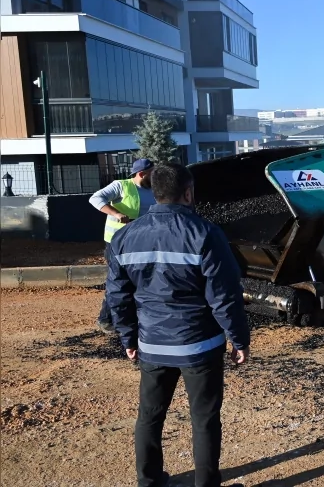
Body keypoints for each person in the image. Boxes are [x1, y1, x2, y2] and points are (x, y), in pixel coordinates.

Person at [105, 162, 250, 487]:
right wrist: (239, 338)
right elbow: (225, 296)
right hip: (201, 346)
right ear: (188, 193)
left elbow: (118, 296)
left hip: (152, 346)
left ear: (154, 193)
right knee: (204, 418)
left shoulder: (124, 237)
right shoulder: (206, 234)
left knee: (150, 416)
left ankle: (149, 482)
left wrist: (128, 337)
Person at [89, 158, 156, 334]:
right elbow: (95, 198)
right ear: (141, 174)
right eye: (152, 173)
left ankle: (131, 318)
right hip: (117, 242)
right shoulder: (121, 186)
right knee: (118, 282)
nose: (155, 176)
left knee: (139, 281)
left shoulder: (155, 190)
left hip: (141, 242)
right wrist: (116, 213)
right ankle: (106, 319)